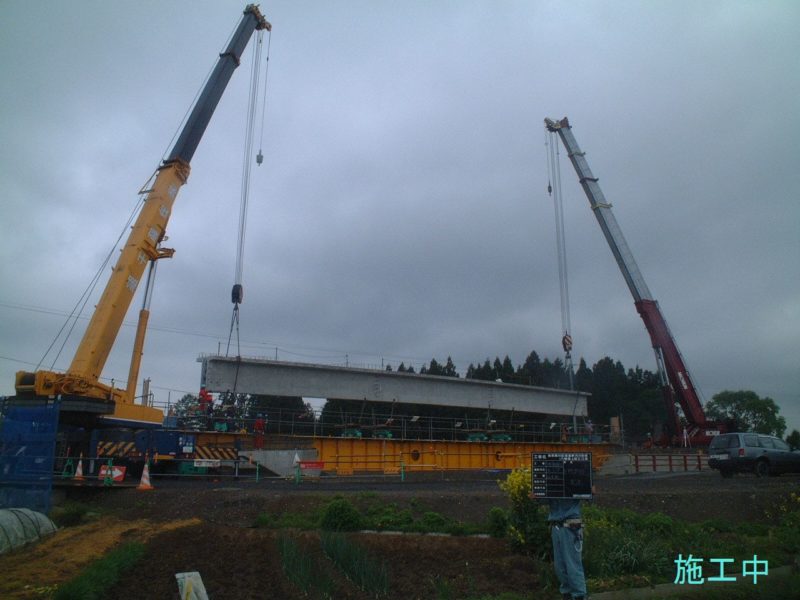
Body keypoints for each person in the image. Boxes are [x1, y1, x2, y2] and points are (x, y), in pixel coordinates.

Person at [546, 497, 588, 600]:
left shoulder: (578, 480)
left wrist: (590, 491)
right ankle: (567, 594)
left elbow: (587, 493)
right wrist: (537, 496)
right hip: (556, 526)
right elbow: (544, 499)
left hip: (571, 526)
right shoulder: (551, 481)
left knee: (572, 564)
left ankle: (579, 596)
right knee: (560, 566)